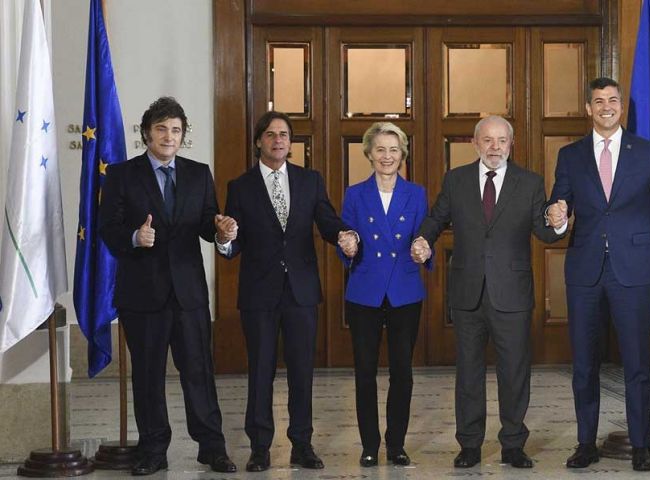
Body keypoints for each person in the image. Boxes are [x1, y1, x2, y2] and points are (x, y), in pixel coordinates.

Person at [545, 77, 650, 472]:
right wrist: (556, 216)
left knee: (637, 364)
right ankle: (585, 443)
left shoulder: (647, 153)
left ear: (622, 107)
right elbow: (557, 202)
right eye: (598, 101)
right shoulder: (570, 155)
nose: (606, 107)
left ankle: (639, 445)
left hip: (634, 272)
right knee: (584, 365)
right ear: (588, 108)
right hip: (585, 273)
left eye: (612, 100)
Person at [411, 115, 564, 469]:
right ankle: (469, 445)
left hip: (511, 293)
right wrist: (422, 238)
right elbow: (437, 218)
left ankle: (512, 444)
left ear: (511, 145)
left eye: (502, 141)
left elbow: (544, 230)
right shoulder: (456, 180)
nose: (495, 147)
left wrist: (557, 222)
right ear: (475, 143)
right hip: (468, 293)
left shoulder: (529, 183)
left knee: (514, 372)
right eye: (488, 141)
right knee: (468, 372)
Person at [98, 97, 236, 476]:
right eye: (161, 129)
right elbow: (107, 227)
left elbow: (208, 223)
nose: (169, 136)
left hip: (189, 294)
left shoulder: (198, 173)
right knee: (148, 376)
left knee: (199, 374)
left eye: (176, 130)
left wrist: (221, 232)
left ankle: (212, 447)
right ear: (147, 133)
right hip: (143, 295)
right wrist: (133, 238)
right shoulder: (123, 175)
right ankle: (154, 451)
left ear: (183, 135)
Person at [214, 111, 358, 472]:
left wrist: (342, 234)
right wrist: (224, 238)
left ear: (290, 143)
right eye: (271, 134)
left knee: (301, 371)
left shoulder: (310, 180)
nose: (278, 140)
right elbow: (234, 240)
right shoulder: (240, 186)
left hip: (301, 292)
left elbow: (326, 219)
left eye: (284, 134)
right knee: (260, 370)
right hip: (259, 294)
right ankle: (260, 447)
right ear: (258, 141)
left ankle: (302, 445)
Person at [337, 122, 430, 467]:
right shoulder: (354, 194)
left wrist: (425, 249)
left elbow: (424, 237)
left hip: (405, 291)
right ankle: (369, 445)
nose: (387, 156)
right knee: (364, 370)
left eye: (394, 150)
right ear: (369, 154)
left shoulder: (417, 193)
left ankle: (397, 443)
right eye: (380, 149)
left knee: (401, 371)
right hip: (365, 291)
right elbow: (346, 240)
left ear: (403, 155)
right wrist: (346, 246)